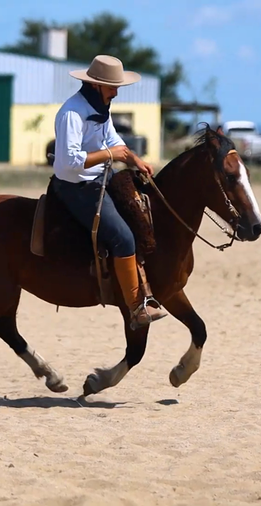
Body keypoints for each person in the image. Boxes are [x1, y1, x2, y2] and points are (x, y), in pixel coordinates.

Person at [51, 54, 168, 328]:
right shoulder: (72, 113)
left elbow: (113, 139)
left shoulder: (101, 105)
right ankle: (137, 309)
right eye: (112, 86)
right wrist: (109, 154)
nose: (116, 92)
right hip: (76, 186)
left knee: (141, 214)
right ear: (95, 85)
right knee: (123, 237)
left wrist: (134, 160)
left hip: (102, 177)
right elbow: (69, 163)